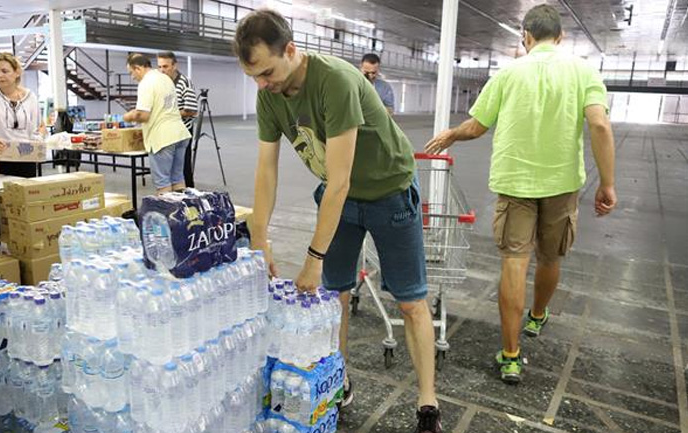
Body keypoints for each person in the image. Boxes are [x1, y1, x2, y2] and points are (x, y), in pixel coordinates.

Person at [234, 9, 443, 433]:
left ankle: (428, 405)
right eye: (253, 77)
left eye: (268, 72)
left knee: (410, 301)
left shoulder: (336, 80)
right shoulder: (268, 95)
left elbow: (341, 181)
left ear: (291, 51)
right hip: (341, 198)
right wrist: (260, 239)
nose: (262, 85)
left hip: (387, 190)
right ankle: (338, 381)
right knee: (335, 297)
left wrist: (313, 256)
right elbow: (266, 171)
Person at [425, 4, 616, 384]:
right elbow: (599, 124)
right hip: (562, 184)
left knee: (514, 262)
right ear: (560, 37)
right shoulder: (583, 71)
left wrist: (450, 135)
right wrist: (608, 183)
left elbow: (477, 126)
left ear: (525, 37)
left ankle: (510, 355)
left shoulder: (508, 73)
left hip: (515, 184)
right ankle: (538, 316)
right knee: (550, 257)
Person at [123, 53, 191, 193]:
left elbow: (143, 115)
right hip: (180, 133)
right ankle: (182, 212)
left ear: (138, 68)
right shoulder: (165, 78)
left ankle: (166, 214)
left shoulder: (146, 83)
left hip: (162, 138)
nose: (132, 77)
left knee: (163, 182)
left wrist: (128, 116)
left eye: (131, 73)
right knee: (178, 179)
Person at [0, 53, 43, 178]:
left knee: (26, 193)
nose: (0, 75)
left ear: (17, 72)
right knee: (1, 193)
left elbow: (39, 124)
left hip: (26, 155)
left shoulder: (30, 96)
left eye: (5, 71)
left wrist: (38, 141)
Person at [156, 51, 199, 187]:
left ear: (174, 66)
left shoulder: (184, 83)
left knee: (183, 168)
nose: (162, 70)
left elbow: (191, 110)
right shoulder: (163, 83)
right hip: (168, 132)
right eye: (160, 67)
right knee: (170, 169)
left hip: (183, 132)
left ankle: (190, 195)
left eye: (165, 66)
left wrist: (168, 114)